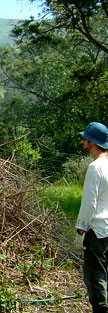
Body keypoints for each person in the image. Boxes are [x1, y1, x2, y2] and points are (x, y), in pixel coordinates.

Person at [76, 122, 108, 313]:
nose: (82, 142)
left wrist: (81, 228)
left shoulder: (95, 168)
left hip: (97, 230)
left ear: (92, 142)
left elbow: (89, 203)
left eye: (85, 139)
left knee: (96, 277)